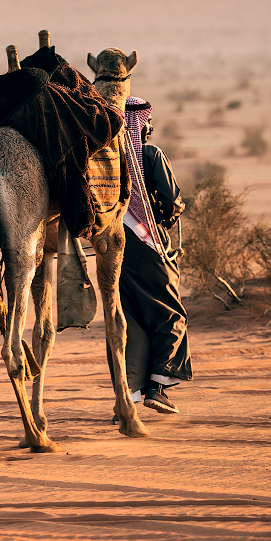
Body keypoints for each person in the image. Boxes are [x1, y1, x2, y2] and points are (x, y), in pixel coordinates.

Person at [108, 96, 192, 415]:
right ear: (138, 124)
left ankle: (127, 399)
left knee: (130, 322)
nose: (150, 128)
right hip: (147, 244)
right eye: (147, 122)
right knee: (171, 315)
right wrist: (165, 218)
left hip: (112, 248)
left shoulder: (106, 160)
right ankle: (157, 387)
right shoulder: (150, 154)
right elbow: (171, 201)